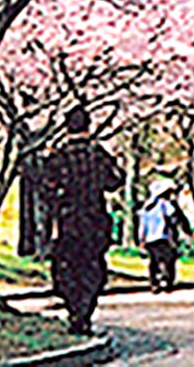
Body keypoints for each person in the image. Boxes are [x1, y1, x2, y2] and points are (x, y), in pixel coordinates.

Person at [38, 106, 121, 335]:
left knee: (67, 266)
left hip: (68, 220)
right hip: (95, 219)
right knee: (93, 267)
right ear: (88, 125)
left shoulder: (57, 156)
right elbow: (115, 181)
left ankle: (74, 308)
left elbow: (45, 188)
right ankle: (84, 311)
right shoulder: (97, 154)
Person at [138, 178, 191, 293]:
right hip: (164, 236)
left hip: (150, 238)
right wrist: (184, 230)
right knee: (169, 259)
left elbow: (143, 224)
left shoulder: (147, 206)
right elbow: (174, 217)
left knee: (154, 260)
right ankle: (167, 280)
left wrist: (141, 239)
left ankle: (155, 281)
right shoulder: (165, 204)